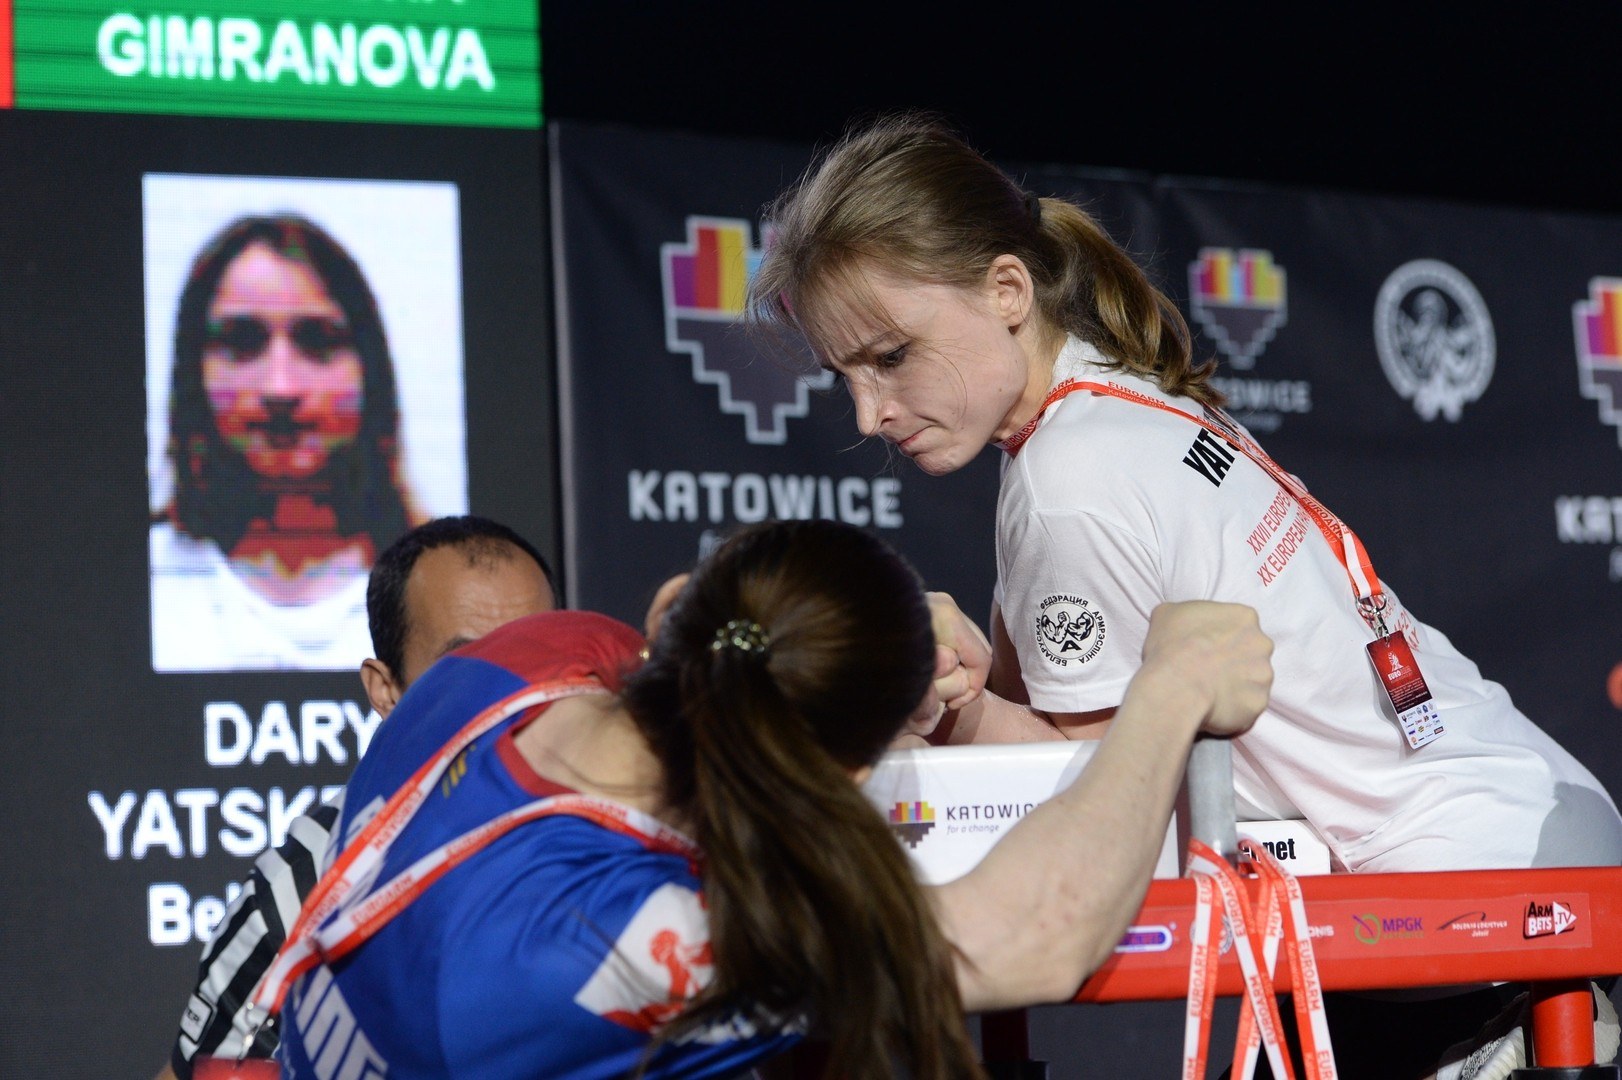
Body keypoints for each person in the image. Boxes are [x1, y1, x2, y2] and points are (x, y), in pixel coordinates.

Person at [746, 111, 1622, 1078]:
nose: (870, 412)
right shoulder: (1116, 394)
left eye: (892, 356)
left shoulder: (1067, 479)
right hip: (1540, 817)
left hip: (1474, 896)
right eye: (847, 376)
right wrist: (969, 681)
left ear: (1006, 289)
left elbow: (1098, 795)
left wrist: (951, 712)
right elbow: (1083, 708)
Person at [266, 517, 1270, 1080]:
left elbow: (681, 624)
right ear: (838, 773)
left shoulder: (520, 661)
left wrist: (863, 659)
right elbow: (1036, 934)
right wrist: (1170, 690)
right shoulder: (646, 941)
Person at [160, 515, 558, 1080]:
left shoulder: (650, 842)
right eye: (464, 668)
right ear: (386, 690)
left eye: (537, 656)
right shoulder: (304, 894)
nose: (510, 695)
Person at [150, 212, 422, 673]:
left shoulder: (434, 586)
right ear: (193, 372)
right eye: (241, 341)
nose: (280, 387)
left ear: (370, 369)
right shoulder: (146, 576)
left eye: (318, 341)